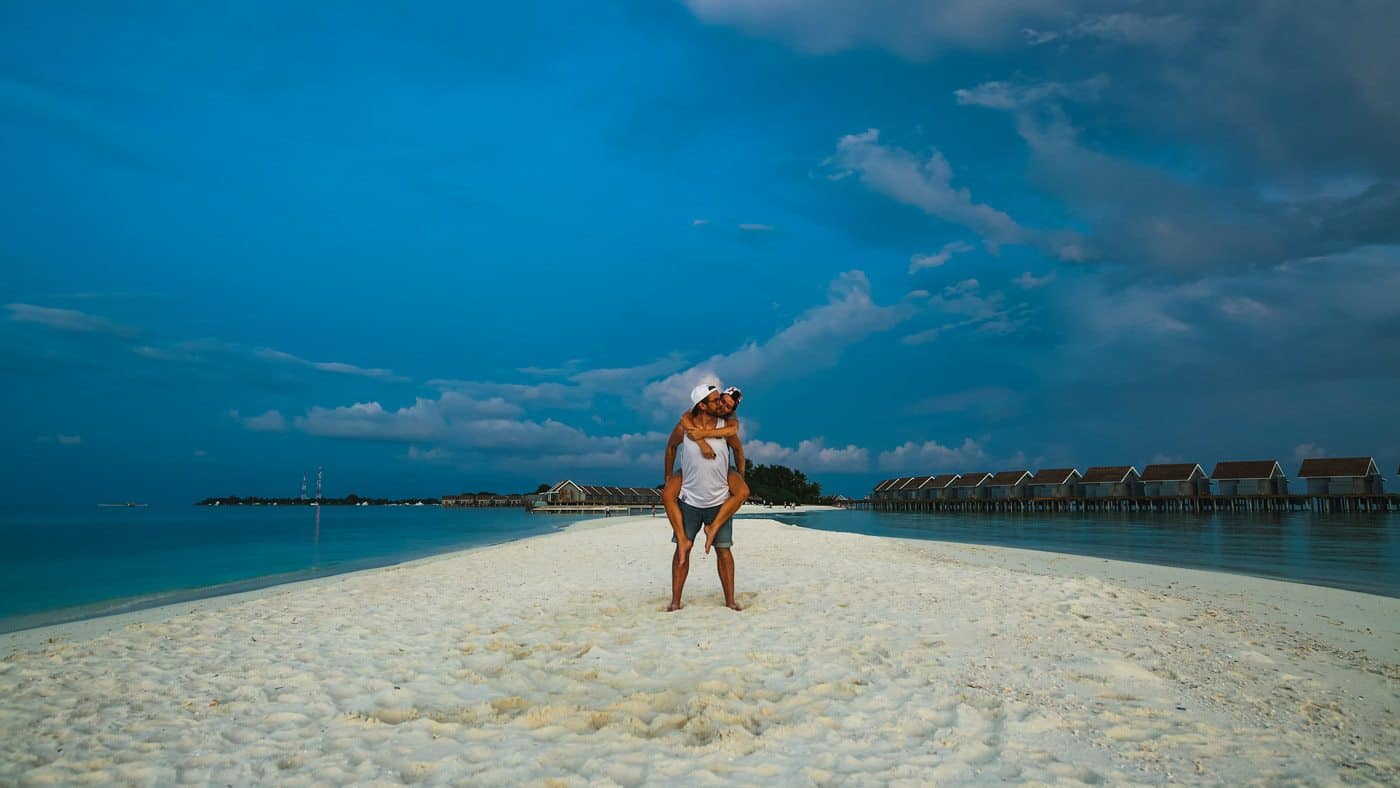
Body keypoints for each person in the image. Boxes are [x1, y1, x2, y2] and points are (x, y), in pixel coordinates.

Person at [663, 383, 745, 612]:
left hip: (719, 500)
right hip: (689, 500)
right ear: (702, 405)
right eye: (716, 400)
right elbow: (670, 448)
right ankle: (675, 602)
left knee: (724, 551)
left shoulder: (725, 425)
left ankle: (730, 601)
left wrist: (739, 476)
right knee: (682, 549)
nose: (721, 404)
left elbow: (738, 450)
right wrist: (668, 476)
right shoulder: (684, 427)